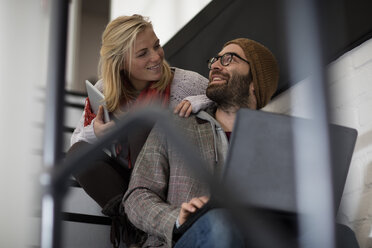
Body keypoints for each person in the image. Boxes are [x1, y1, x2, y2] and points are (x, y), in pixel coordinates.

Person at [67, 14, 213, 247]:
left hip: (165, 178)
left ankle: (146, 220)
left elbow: (226, 103)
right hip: (125, 179)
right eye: (143, 53)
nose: (156, 57)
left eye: (156, 46)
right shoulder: (104, 89)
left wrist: (201, 101)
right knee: (77, 153)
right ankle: (135, 226)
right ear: (121, 62)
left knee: (141, 121)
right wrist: (95, 132)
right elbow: (76, 140)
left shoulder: (186, 83)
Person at [123, 38, 279, 247]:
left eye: (228, 59)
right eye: (215, 60)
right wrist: (176, 218)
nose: (214, 66)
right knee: (220, 224)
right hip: (185, 239)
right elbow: (137, 195)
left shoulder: (276, 144)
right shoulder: (174, 126)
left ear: (254, 81)